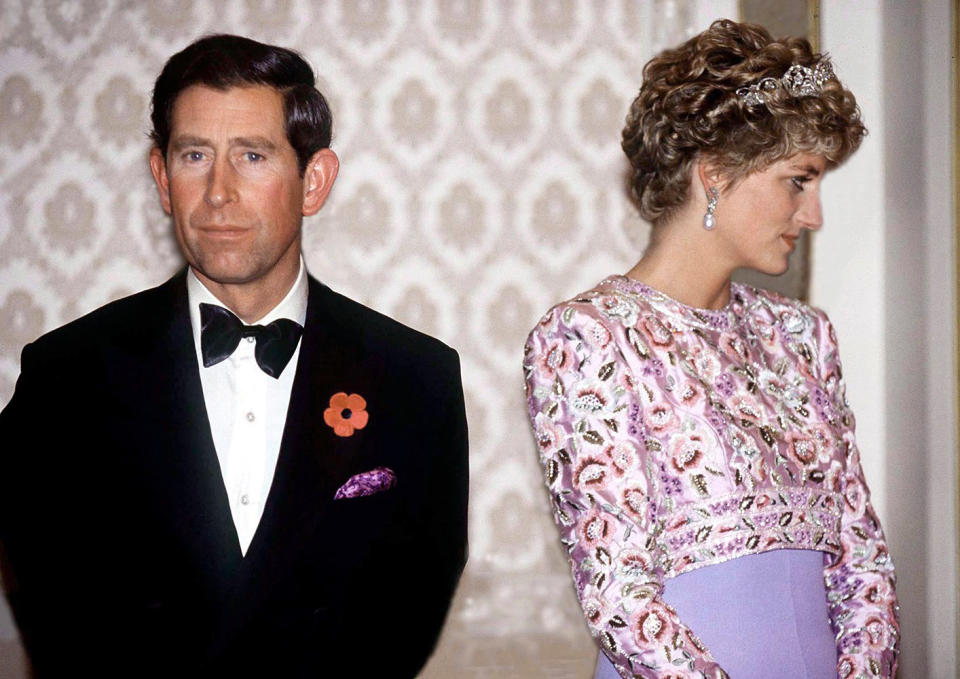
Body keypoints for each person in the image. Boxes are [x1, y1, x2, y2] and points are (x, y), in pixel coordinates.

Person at [0, 34, 468, 677]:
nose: (218, 191)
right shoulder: (66, 376)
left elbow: (414, 602)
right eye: (195, 155)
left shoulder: (418, 381)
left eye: (252, 156)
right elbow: (50, 604)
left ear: (315, 180)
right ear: (163, 179)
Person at [523, 19, 898, 679]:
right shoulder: (588, 336)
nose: (813, 216)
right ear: (716, 173)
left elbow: (862, 562)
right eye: (797, 180)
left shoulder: (805, 337)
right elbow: (618, 594)